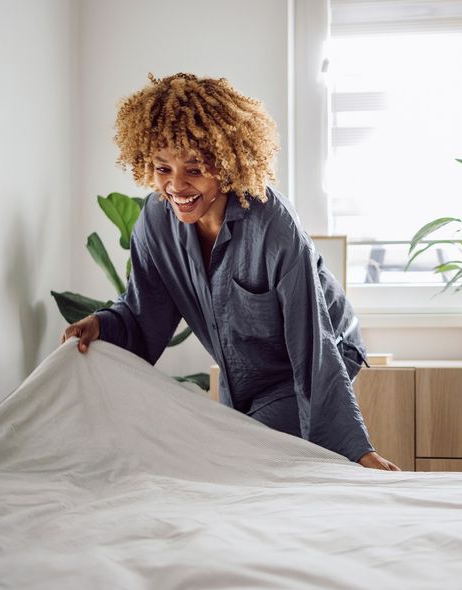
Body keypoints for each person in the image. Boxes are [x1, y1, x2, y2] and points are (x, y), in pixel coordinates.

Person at [61, 72, 398, 471]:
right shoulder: (155, 222)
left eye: (194, 168)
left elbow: (313, 340)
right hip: (245, 375)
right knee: (237, 458)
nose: (176, 186)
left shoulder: (274, 224)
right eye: (163, 168)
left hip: (320, 352)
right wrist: (102, 324)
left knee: (233, 459)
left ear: (227, 163)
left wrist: (354, 449)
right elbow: (142, 311)